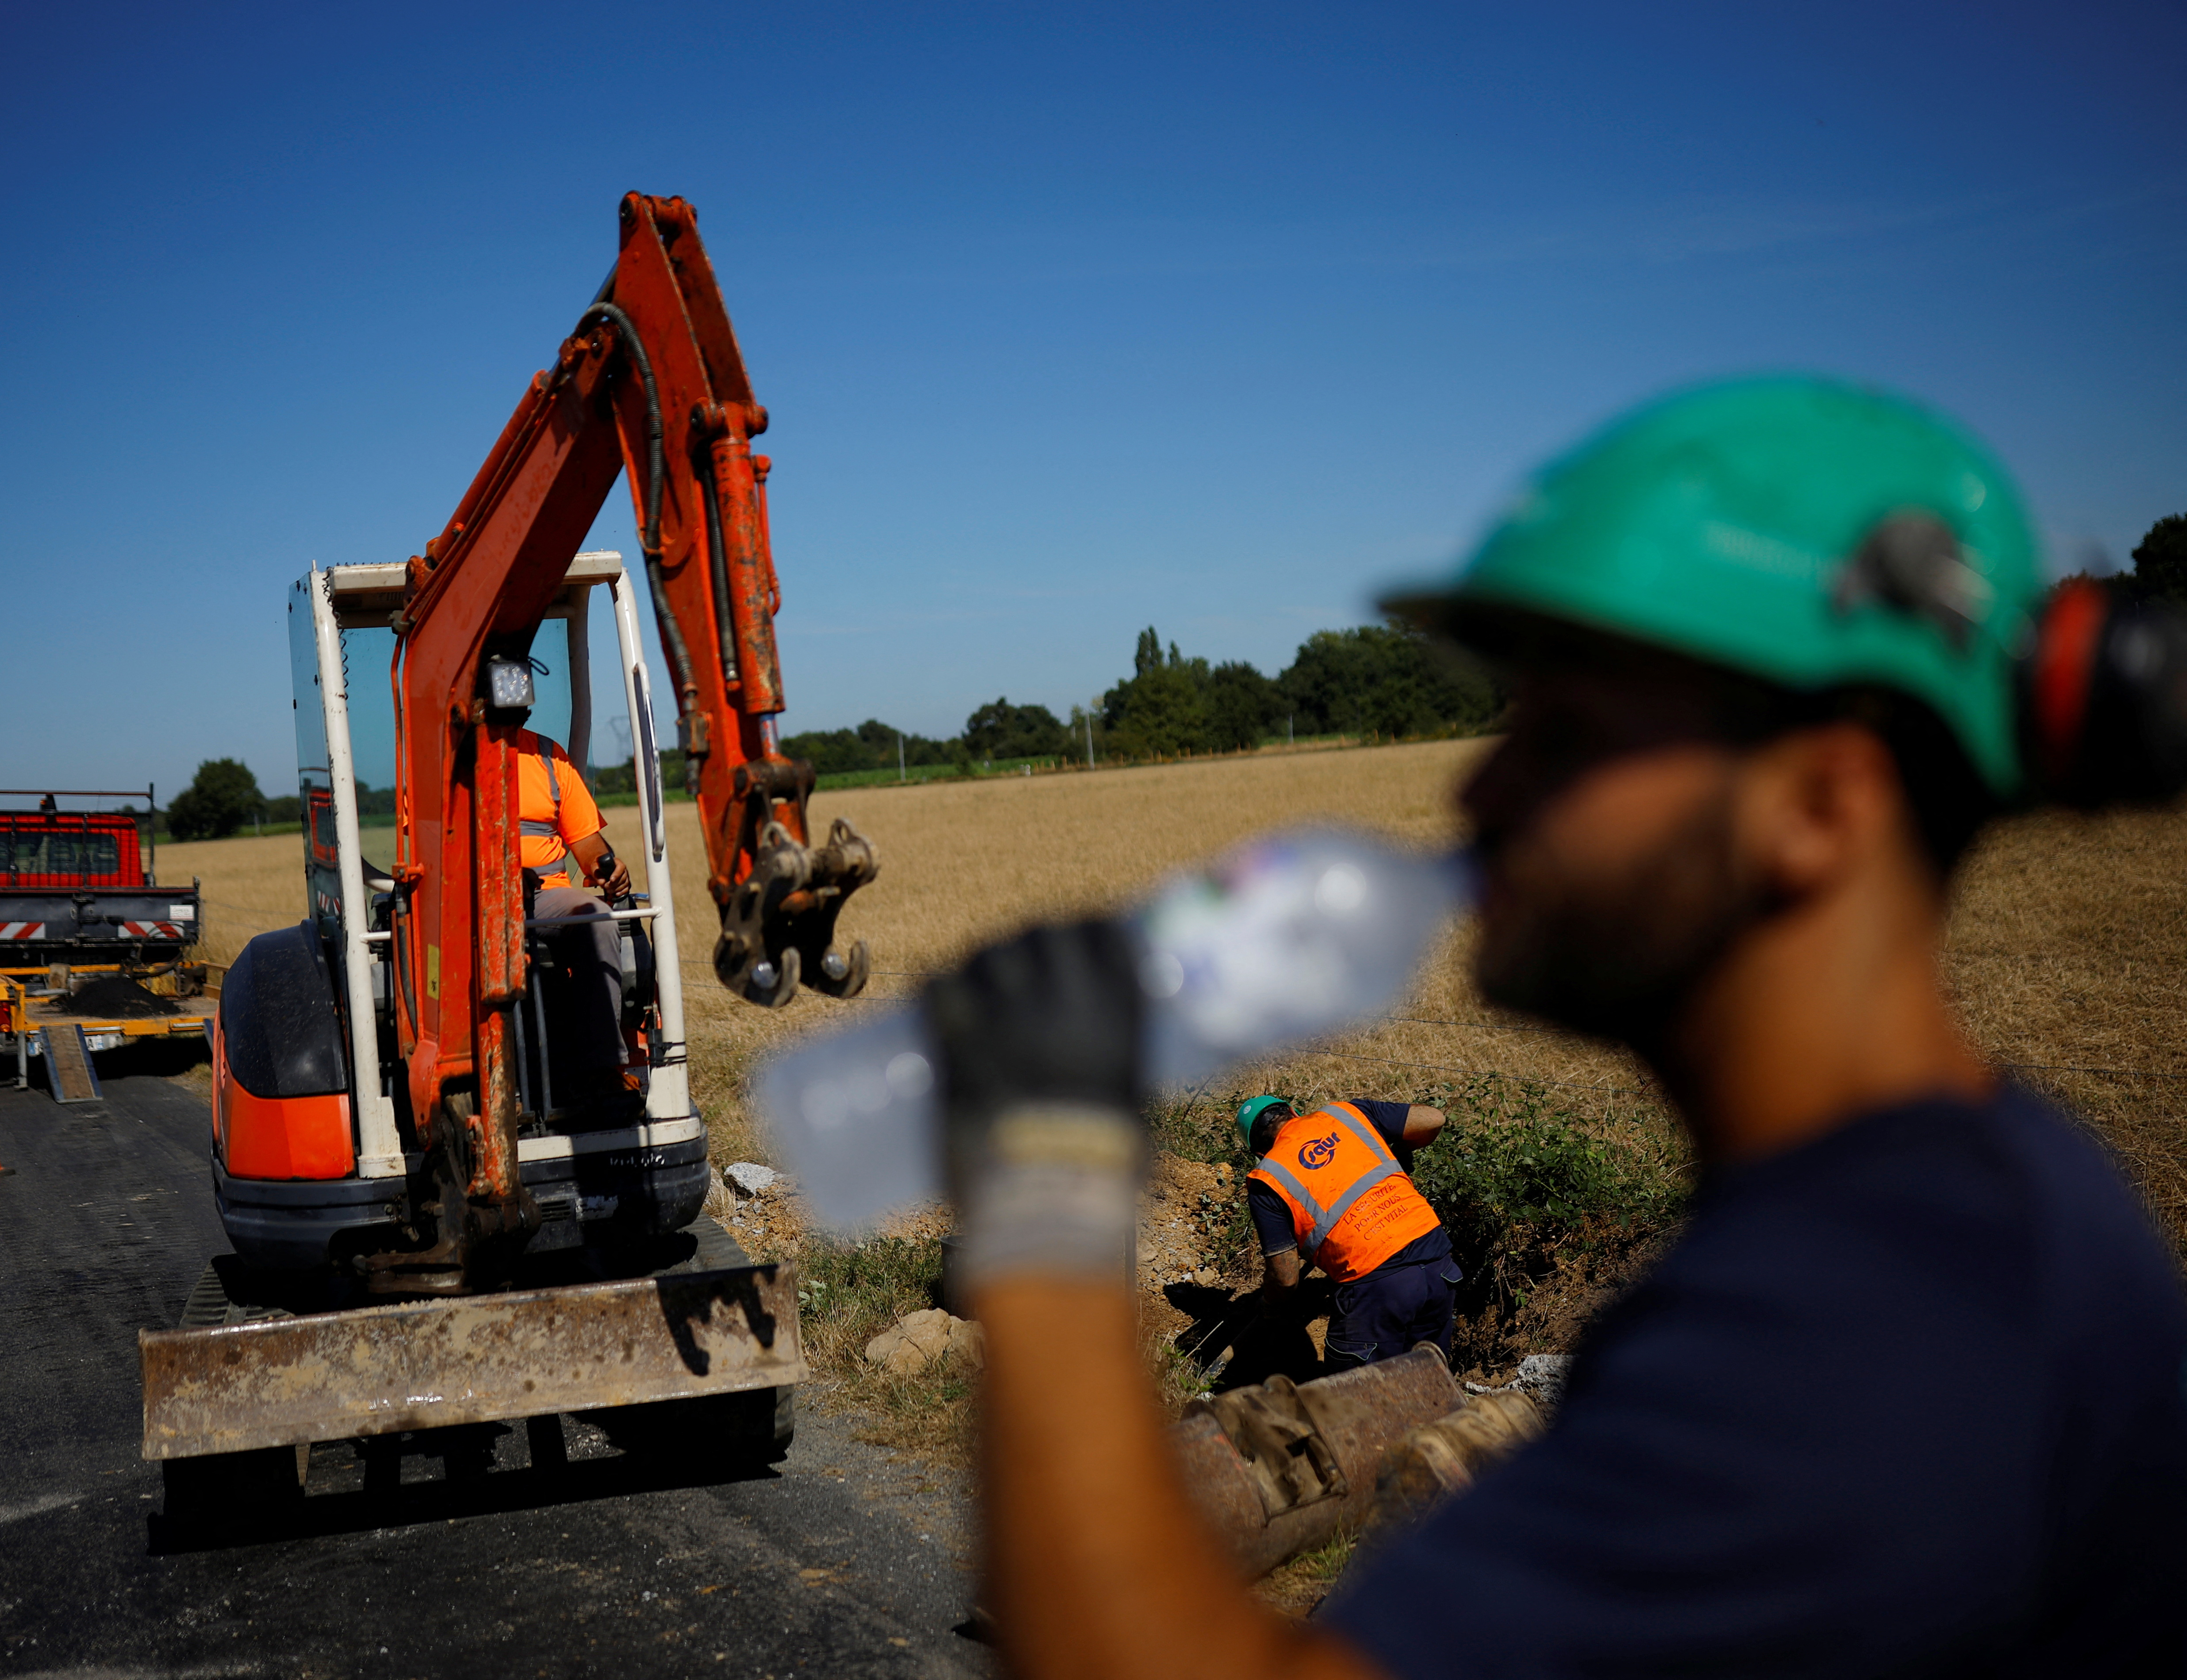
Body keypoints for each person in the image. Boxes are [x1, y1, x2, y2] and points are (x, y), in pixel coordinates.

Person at [920, 376, 2187, 1678]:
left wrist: (1043, 1175)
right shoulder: (1932, 1221)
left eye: (1563, 733)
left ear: (1818, 803)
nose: (1478, 786)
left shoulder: (1874, 1325)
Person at [1236, 1094, 1457, 1374]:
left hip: (1377, 1284)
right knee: (1429, 1382)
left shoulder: (1267, 1178)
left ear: (1258, 1152)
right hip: (1438, 1263)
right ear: (1294, 1111)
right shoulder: (1347, 1114)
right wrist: (1399, 1153)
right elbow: (1433, 1119)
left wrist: (1270, 1305)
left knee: (1354, 1397)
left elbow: (1285, 1276)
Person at [514, 729, 634, 1102]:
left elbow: (586, 842)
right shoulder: (444, 756)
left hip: (545, 895)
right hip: (469, 899)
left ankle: (603, 1070)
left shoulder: (549, 756)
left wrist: (608, 871)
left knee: (595, 917)